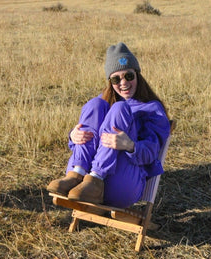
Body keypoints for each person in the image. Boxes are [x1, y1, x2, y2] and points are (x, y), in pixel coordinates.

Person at [47, 42, 170, 208]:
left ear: (137, 75)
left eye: (129, 76)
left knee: (119, 108)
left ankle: (96, 178)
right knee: (94, 104)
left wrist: (130, 146)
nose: (123, 83)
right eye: (116, 79)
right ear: (110, 82)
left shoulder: (152, 108)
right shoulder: (104, 102)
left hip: (121, 183)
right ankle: (76, 174)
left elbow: (152, 152)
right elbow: (85, 140)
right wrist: (73, 136)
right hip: (81, 184)